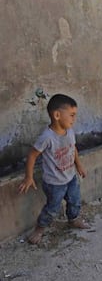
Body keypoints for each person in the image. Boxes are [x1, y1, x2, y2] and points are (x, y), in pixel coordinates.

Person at [18, 93, 90, 244]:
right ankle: (40, 228)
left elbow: (73, 149)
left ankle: (73, 219)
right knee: (52, 208)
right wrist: (29, 177)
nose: (74, 119)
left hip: (70, 177)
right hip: (54, 183)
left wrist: (79, 166)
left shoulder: (69, 131)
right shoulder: (47, 137)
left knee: (75, 200)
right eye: (71, 115)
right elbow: (32, 155)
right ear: (57, 115)